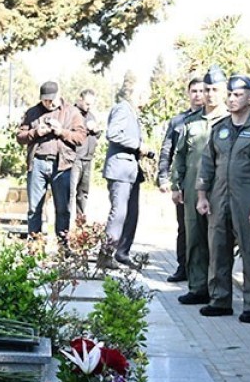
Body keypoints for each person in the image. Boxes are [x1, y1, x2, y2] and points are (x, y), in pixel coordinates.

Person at [195, 75, 250, 323]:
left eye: (238, 95)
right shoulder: (220, 129)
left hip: (248, 198)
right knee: (218, 249)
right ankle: (219, 300)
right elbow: (207, 163)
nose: (232, 99)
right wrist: (202, 195)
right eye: (230, 94)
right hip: (219, 197)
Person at [173, 67, 229, 306]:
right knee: (194, 238)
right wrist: (176, 185)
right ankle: (197, 287)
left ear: (224, 91)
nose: (210, 94)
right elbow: (180, 155)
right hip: (192, 187)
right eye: (207, 90)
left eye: (215, 89)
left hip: (221, 189)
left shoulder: (231, 120)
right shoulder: (191, 122)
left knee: (218, 242)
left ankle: (218, 290)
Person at [15, 82, 87, 241]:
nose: (48, 103)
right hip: (37, 164)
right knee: (34, 208)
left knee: (62, 209)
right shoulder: (32, 112)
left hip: (61, 165)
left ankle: (62, 245)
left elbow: (81, 137)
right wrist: (35, 132)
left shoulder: (72, 112)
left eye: (51, 100)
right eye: (45, 100)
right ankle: (35, 246)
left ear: (59, 95)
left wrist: (61, 132)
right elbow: (20, 136)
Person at [157, 78, 205, 281]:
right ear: (188, 93)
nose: (198, 95)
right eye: (194, 91)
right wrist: (163, 178)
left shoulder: (216, 120)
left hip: (209, 183)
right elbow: (167, 151)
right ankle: (183, 267)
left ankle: (205, 271)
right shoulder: (178, 121)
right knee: (184, 228)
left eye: (202, 90)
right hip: (185, 183)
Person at [102, 82, 149, 268]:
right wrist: (138, 145)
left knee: (131, 214)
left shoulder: (134, 114)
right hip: (120, 170)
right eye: (145, 96)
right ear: (138, 95)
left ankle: (122, 253)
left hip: (131, 172)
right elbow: (112, 134)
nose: (146, 101)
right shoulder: (122, 109)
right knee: (119, 213)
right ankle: (106, 255)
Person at [68, 89, 100, 225]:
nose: (89, 107)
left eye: (91, 104)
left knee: (83, 193)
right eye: (87, 104)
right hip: (75, 158)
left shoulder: (91, 116)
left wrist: (96, 131)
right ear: (80, 99)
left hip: (88, 158)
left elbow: (96, 135)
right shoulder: (71, 114)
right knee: (70, 192)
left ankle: (80, 224)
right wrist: (87, 129)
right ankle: (66, 224)